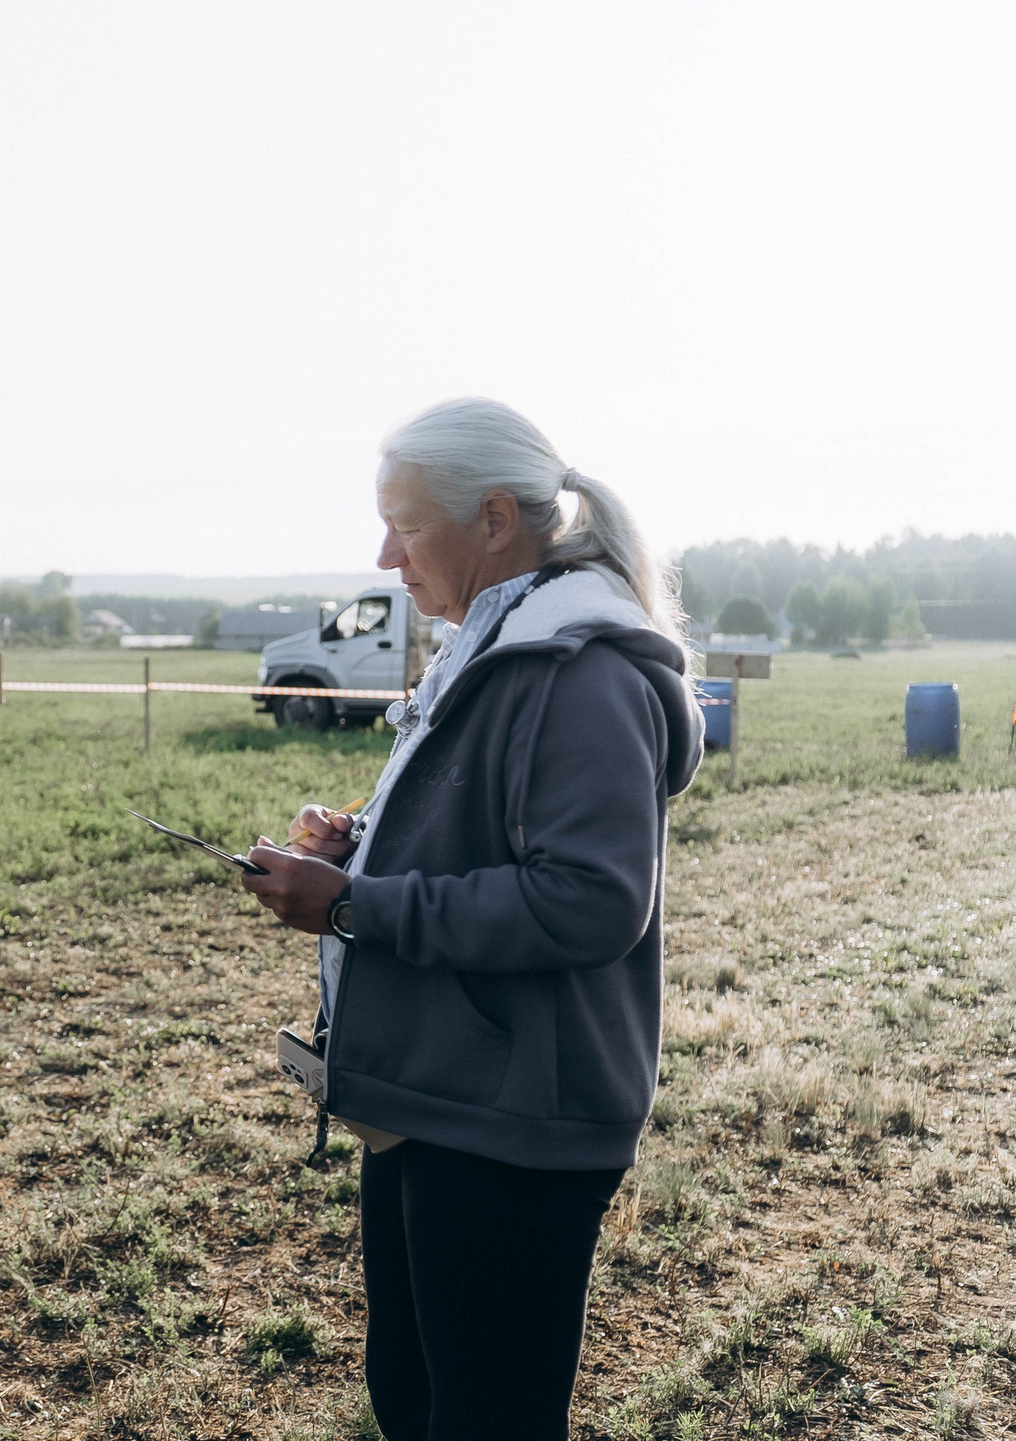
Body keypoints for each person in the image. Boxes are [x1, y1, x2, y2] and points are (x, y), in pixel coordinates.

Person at [240, 398, 701, 1440]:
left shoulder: (577, 669)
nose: (384, 553)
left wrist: (354, 902)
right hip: (439, 1095)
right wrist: (361, 842)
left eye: (403, 524)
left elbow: (588, 899)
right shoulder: (490, 645)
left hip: (510, 1122)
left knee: (481, 1418)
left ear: (493, 519)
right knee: (413, 1399)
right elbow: (489, 835)